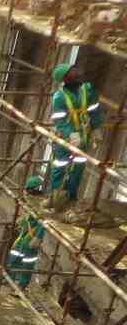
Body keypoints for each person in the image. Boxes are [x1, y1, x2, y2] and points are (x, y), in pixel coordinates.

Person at [48, 62, 102, 216]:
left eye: (74, 69)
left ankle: (71, 197)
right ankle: (56, 197)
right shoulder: (59, 97)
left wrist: (97, 128)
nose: (76, 72)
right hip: (64, 140)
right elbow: (59, 120)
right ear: (65, 78)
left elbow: (94, 110)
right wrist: (71, 134)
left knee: (78, 168)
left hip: (83, 137)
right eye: (71, 72)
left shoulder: (88, 89)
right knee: (60, 166)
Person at [5, 176, 46, 293]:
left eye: (28, 190)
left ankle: (21, 285)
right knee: (14, 254)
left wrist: (38, 237)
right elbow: (30, 215)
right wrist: (22, 221)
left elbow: (45, 221)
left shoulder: (42, 204)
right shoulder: (31, 200)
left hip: (33, 235)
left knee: (27, 261)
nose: (26, 193)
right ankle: (10, 279)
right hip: (25, 232)